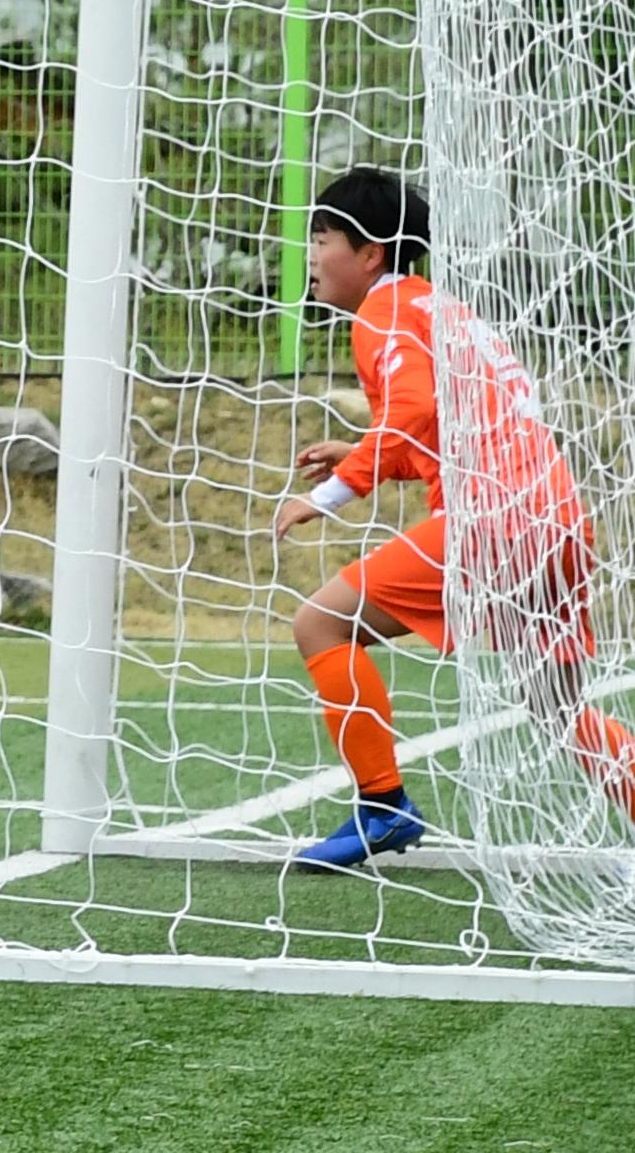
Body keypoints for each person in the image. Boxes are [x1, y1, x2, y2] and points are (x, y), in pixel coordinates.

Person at [272, 168, 635, 871]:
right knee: (560, 710)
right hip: (557, 522)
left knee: (320, 623)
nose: (310, 254)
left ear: (370, 252)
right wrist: (364, 451)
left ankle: (382, 806)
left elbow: (407, 414)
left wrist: (328, 497)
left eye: (321, 237)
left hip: (495, 522)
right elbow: (443, 431)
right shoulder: (440, 308)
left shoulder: (382, 310)